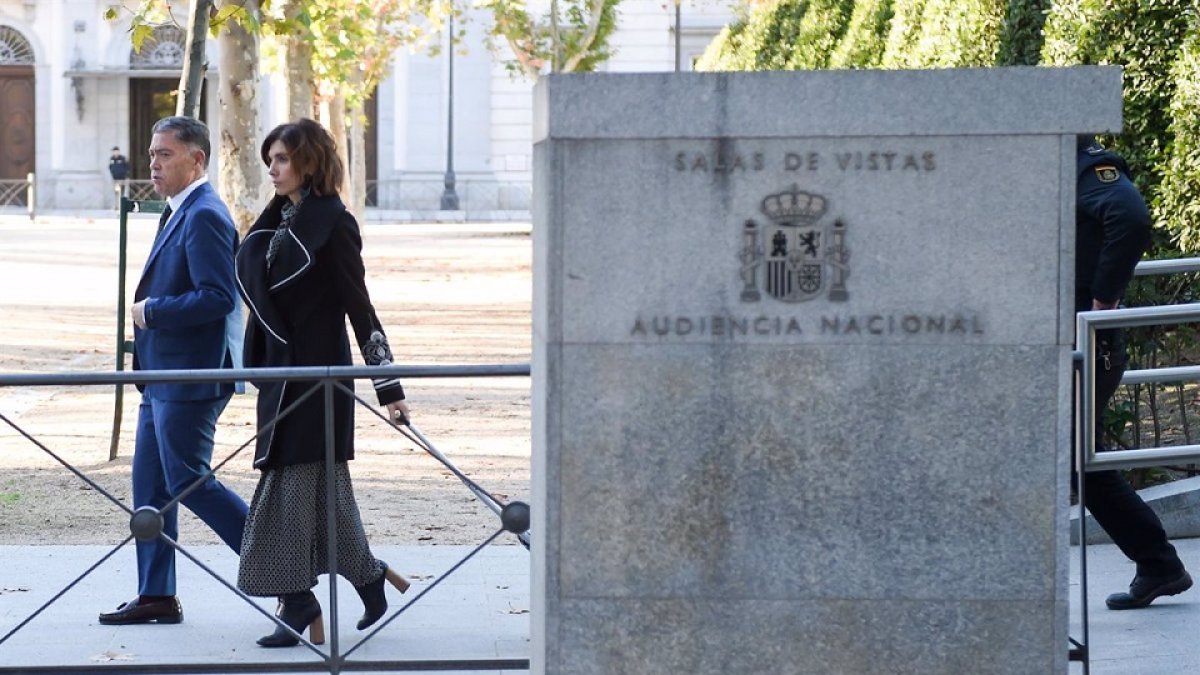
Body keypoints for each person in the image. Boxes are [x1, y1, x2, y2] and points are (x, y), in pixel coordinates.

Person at [234, 118, 411, 648]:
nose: (273, 169)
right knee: (323, 498)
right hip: (280, 379)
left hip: (319, 382)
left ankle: (296, 606)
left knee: (287, 495)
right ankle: (367, 577)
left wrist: (389, 386)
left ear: (309, 162)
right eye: (269, 160)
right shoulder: (273, 222)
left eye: (282, 159)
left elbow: (361, 308)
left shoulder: (334, 223)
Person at [99, 117, 248, 625]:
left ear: (197, 159)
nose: (153, 164)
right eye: (151, 153)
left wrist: (152, 310)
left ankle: (284, 566)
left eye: (164, 154)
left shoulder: (205, 213)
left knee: (190, 483)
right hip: (160, 376)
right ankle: (156, 594)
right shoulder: (179, 211)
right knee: (151, 491)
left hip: (189, 378)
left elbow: (218, 297)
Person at [1075, 135, 1192, 610]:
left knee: (1076, 456)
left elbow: (1132, 216)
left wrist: (1104, 300)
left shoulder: (1086, 168)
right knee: (1079, 458)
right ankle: (1159, 564)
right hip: (1069, 336)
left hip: (1084, 338)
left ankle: (1159, 563)